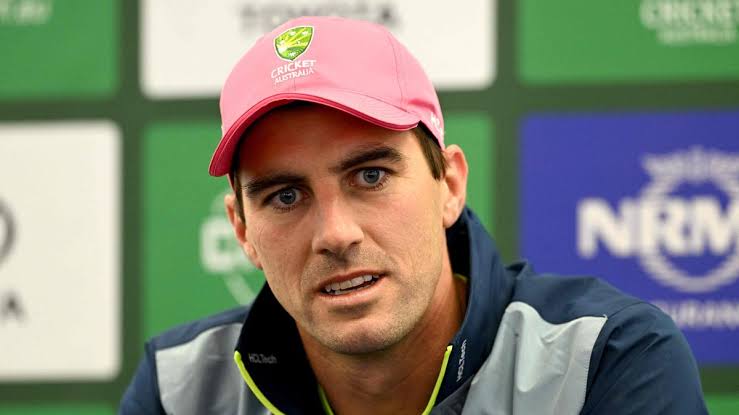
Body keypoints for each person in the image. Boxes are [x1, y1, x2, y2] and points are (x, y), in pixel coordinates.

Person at [120, 16, 708, 414]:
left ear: (449, 184)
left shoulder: (604, 362)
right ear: (242, 230)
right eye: (286, 197)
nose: (336, 234)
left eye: (370, 176)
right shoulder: (179, 390)